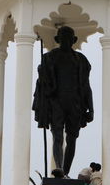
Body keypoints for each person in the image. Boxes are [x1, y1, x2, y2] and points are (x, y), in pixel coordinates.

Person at [33, 26, 94, 177]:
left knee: (72, 138)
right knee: (57, 136)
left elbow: (86, 86)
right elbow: (43, 82)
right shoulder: (49, 58)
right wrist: (43, 71)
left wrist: (91, 109)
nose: (66, 40)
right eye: (63, 37)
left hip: (76, 103)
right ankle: (59, 168)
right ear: (58, 40)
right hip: (56, 102)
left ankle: (65, 172)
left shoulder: (81, 60)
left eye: (69, 37)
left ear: (73, 40)